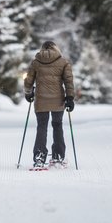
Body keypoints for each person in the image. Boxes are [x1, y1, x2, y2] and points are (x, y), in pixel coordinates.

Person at [24, 40, 75, 169]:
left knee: (42, 127)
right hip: (58, 100)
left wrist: (28, 93)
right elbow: (69, 81)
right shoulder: (63, 62)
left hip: (41, 100)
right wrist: (70, 98)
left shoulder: (36, 62)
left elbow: (28, 80)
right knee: (57, 126)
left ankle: (39, 158)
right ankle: (58, 157)